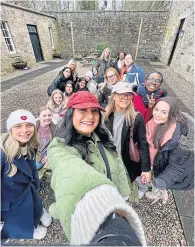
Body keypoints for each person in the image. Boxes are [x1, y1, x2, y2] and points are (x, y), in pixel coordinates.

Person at [47, 91, 146, 245]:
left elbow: (118, 163)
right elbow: (71, 172)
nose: (90, 116)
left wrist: (124, 193)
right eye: (82, 110)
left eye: (94, 111)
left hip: (117, 198)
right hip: (97, 210)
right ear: (70, 114)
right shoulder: (60, 147)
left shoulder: (103, 133)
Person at [1, 109, 52, 240]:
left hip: (27, 189)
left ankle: (39, 211)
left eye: (29, 125)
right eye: (18, 126)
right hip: (10, 197)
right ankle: (29, 229)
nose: (25, 130)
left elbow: (32, 168)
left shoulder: (31, 144)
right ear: (10, 129)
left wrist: (36, 183)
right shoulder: (3, 153)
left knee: (34, 200)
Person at [104, 82, 151, 197]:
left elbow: (143, 144)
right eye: (121, 94)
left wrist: (146, 169)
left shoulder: (136, 117)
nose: (125, 98)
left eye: (128, 95)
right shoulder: (104, 115)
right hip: (108, 159)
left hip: (125, 160)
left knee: (123, 186)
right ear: (113, 96)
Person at [145, 97, 194, 204]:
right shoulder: (153, 123)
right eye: (156, 109)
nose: (157, 114)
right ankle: (163, 192)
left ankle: (162, 194)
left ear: (172, 114)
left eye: (164, 112)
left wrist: (157, 185)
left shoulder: (178, 140)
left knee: (161, 181)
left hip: (177, 171)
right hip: (160, 162)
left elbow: (175, 169)